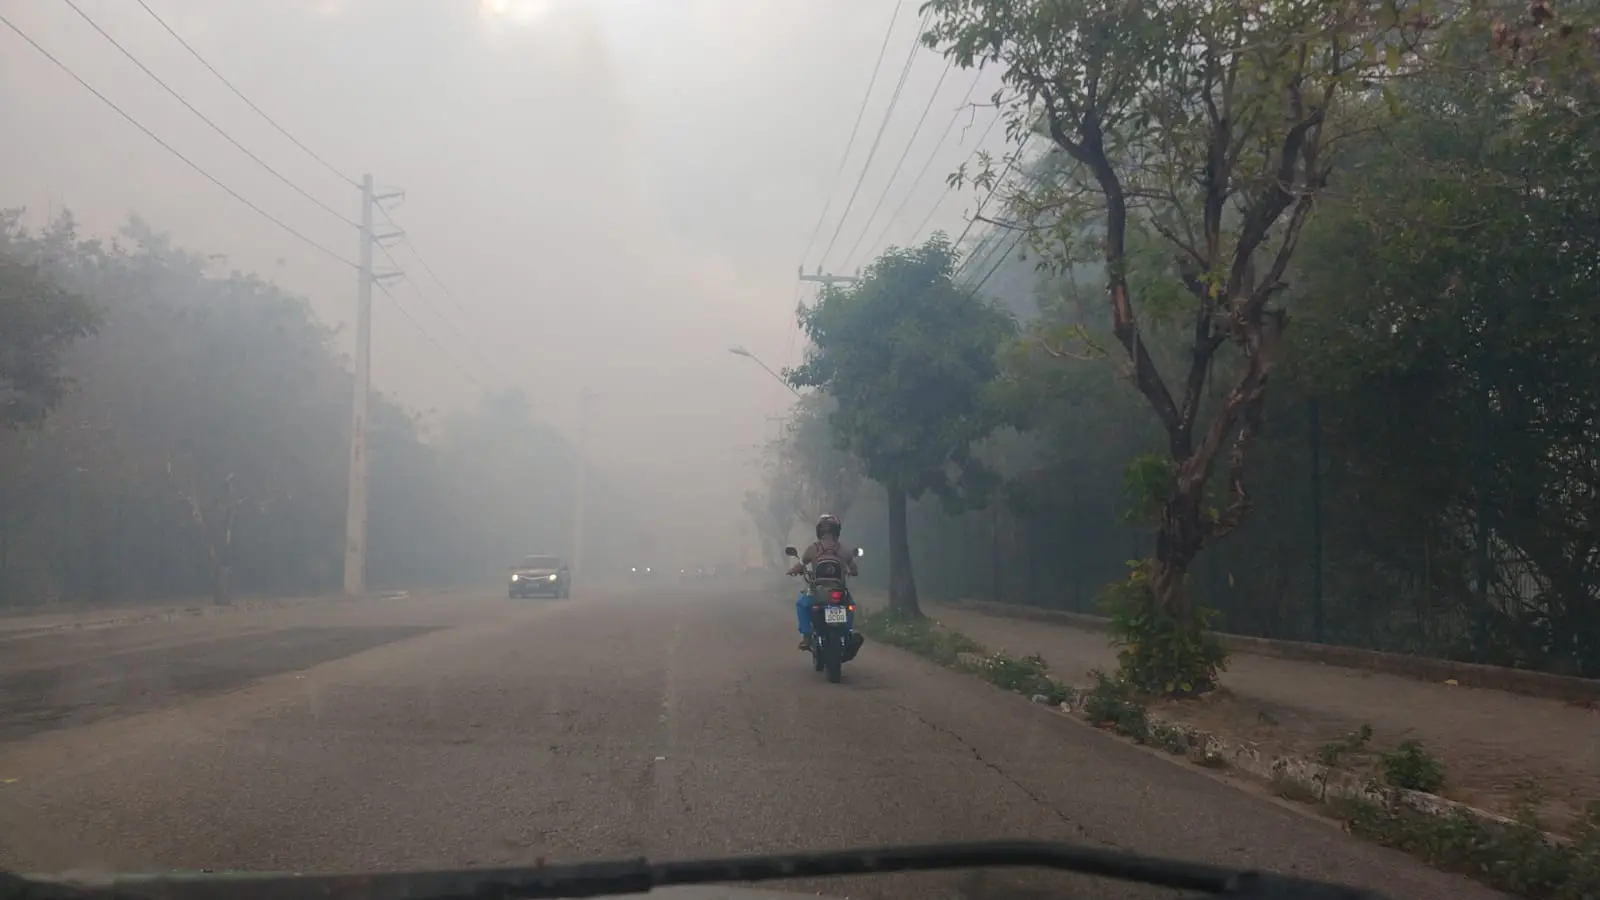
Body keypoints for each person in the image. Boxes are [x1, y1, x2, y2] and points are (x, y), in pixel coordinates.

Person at [789, 513, 858, 651]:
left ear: (819, 531)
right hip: (839, 592)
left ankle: (807, 636)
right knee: (850, 606)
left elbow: (800, 565)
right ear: (837, 531)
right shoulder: (843, 550)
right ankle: (848, 633)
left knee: (802, 604)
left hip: (818, 592)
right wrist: (851, 572)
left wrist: (793, 571)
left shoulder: (813, 549)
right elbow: (854, 569)